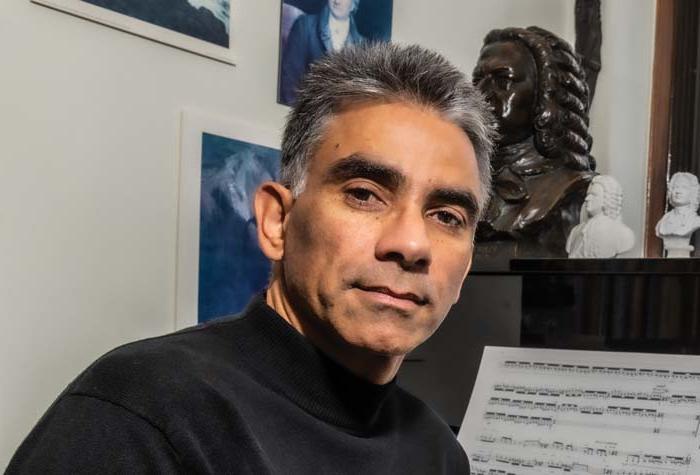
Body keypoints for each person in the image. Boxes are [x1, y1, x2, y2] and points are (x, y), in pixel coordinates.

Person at [7, 43, 496, 474]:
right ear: (276, 221)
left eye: (448, 216)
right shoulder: (142, 414)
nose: (411, 244)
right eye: (365, 194)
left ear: (466, 264)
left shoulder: (438, 452)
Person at [472, 26, 596, 258]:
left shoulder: (572, 189)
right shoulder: (462, 180)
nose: (482, 93)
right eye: (478, 79)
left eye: (503, 80)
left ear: (545, 95)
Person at [279, 0, 364, 105]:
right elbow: (290, 81)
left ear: (354, 3)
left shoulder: (362, 47)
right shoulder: (305, 26)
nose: (337, 1)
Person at [566, 175, 634, 258]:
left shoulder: (623, 234)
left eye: (593, 195)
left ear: (607, 198)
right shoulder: (575, 231)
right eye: (587, 194)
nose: (587, 198)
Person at [656, 172, 700, 257]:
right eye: (675, 187)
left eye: (684, 187)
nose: (678, 191)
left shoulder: (696, 221)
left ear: (693, 192)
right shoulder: (663, 220)